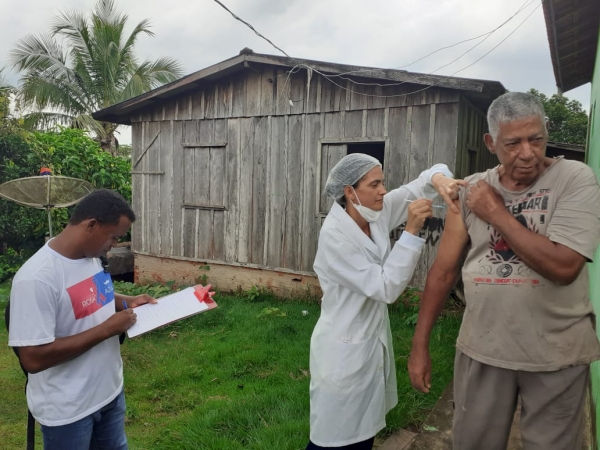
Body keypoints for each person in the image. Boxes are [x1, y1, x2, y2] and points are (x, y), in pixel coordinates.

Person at [408, 92, 600, 450]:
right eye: (513, 143)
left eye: (536, 139)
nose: (527, 153)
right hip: (483, 348)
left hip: (557, 354)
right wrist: (419, 346)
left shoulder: (574, 179)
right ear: (491, 143)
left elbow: (564, 266)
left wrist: (496, 213)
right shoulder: (472, 190)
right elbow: (443, 272)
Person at [307, 153, 465, 450]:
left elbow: (425, 179)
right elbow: (385, 287)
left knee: (363, 435)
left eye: (383, 181)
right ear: (349, 191)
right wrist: (412, 231)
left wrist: (441, 180)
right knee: (332, 440)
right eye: (374, 184)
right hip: (341, 352)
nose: (383, 190)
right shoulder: (335, 237)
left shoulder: (375, 212)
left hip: (369, 344)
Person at [8, 189, 156, 450]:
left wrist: (127, 302)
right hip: (69, 411)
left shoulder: (90, 257)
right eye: (113, 236)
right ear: (91, 225)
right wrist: (106, 330)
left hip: (109, 391)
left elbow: (94, 297)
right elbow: (32, 358)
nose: (114, 244)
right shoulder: (37, 279)